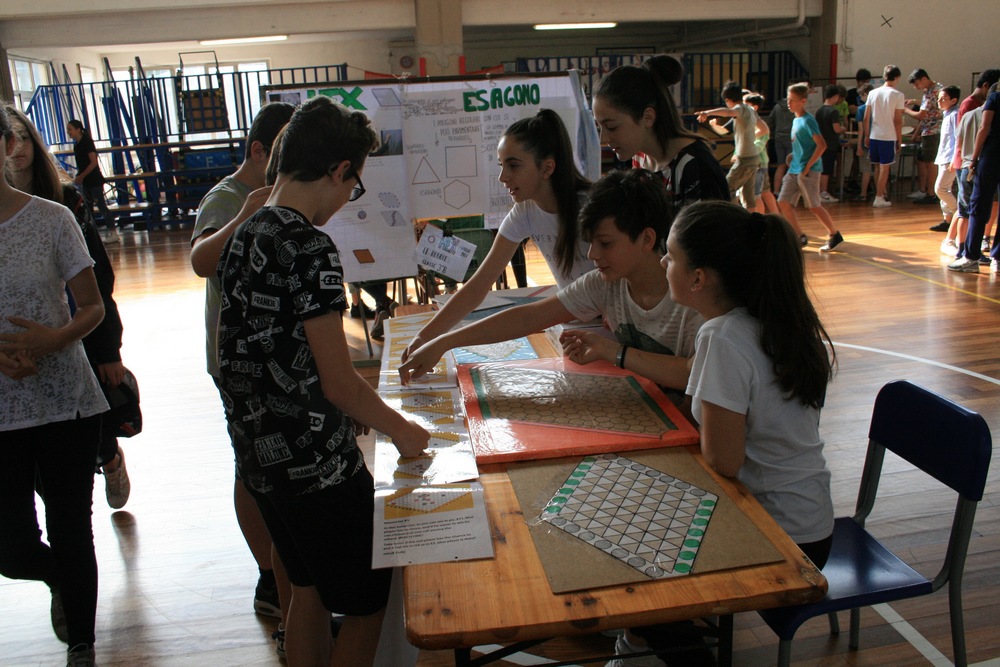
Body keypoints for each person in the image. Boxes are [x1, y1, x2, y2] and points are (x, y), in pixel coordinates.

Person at [216, 95, 430, 667]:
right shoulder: (310, 247)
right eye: (352, 184)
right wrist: (405, 431)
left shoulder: (245, 232)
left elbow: (252, 353)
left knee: (304, 593)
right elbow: (340, 383)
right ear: (339, 170)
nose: (346, 198)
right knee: (365, 601)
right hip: (315, 464)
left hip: (259, 458)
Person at [400, 168, 702, 399]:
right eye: (591, 243)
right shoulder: (605, 283)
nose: (593, 254)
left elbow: (694, 374)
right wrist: (443, 341)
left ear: (647, 239)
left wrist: (612, 351)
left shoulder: (692, 296)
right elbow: (530, 317)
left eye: (605, 243)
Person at [664, 199, 834, 572]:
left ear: (698, 278)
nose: (664, 264)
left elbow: (724, 460)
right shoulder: (774, 323)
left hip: (779, 535)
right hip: (812, 521)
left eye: (671, 257)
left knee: (651, 533)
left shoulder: (723, 337)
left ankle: (660, 632)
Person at [0, 104, 109, 667]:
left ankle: (83, 645)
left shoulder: (51, 218)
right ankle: (58, 580)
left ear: (8, 148)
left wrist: (52, 339)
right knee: (11, 545)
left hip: (66, 400)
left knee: (72, 527)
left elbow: (92, 306)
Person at [189, 101, 295, 627]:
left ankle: (284, 570)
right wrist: (245, 214)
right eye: (279, 159)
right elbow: (202, 260)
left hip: (277, 358)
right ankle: (268, 573)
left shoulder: (284, 197)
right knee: (251, 469)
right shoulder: (227, 197)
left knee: (274, 466)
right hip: (236, 361)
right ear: (258, 152)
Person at [4, 104, 131, 509]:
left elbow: (99, 286)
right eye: (15, 138)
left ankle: (109, 460)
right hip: (13, 363)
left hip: (75, 332)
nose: (19, 148)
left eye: (25, 138)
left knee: (91, 427)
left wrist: (109, 348)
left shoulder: (62, 203)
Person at [402, 109, 592, 361]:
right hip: (579, 324)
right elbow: (478, 285)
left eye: (513, 165)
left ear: (547, 168)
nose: (503, 177)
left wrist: (441, 341)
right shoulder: (524, 211)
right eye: (501, 165)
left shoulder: (592, 208)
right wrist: (424, 337)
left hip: (613, 324)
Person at [592, 56, 729, 210]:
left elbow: (704, 232)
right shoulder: (641, 157)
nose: (603, 138)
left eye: (612, 127)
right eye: (599, 127)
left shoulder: (694, 166)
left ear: (648, 117)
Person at [777, 83, 844, 251]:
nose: (789, 103)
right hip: (795, 169)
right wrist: (793, 155)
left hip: (808, 170)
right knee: (783, 202)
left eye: (792, 100)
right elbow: (802, 144)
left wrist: (808, 166)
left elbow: (821, 145)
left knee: (814, 205)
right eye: (788, 99)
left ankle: (834, 234)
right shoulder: (796, 120)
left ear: (803, 101)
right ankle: (799, 236)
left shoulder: (808, 120)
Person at [948, 84, 1000, 274]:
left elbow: (984, 127)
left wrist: (975, 157)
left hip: (992, 156)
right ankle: (998, 258)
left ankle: (971, 257)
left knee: (979, 204)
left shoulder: (995, 97)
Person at [696, 80, 761, 209]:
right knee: (749, 198)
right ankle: (752, 224)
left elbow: (728, 112)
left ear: (727, 99)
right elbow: (763, 128)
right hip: (754, 157)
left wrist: (707, 113)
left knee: (725, 189)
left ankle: (735, 217)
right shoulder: (749, 109)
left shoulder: (740, 109)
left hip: (745, 160)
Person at [65, 119, 117, 243]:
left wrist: (81, 175)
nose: (68, 132)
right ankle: (92, 234)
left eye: (70, 129)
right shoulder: (77, 144)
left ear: (78, 129)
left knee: (101, 206)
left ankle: (113, 232)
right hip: (85, 181)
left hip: (94, 180)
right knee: (88, 208)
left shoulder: (87, 142)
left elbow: (93, 163)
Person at [863, 65, 906, 208]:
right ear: (897, 77)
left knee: (877, 167)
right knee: (884, 168)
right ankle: (879, 196)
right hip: (888, 136)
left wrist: (867, 134)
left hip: (874, 134)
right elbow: (898, 120)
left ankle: (880, 194)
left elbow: (866, 117)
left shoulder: (873, 93)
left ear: (884, 77)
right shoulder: (898, 95)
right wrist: (899, 138)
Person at [904, 69, 944, 204]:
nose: (916, 87)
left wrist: (904, 110)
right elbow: (927, 110)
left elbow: (922, 115)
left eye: (916, 84)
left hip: (933, 131)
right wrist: (914, 102)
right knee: (922, 160)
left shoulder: (932, 91)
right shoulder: (936, 88)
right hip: (928, 130)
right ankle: (923, 190)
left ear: (924, 79)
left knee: (930, 162)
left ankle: (931, 193)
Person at [930, 87, 961, 234]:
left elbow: (958, 138)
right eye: (939, 98)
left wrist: (955, 158)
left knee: (940, 188)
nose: (939, 101)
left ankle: (959, 213)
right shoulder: (947, 114)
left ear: (953, 100)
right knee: (945, 189)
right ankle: (947, 220)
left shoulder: (955, 114)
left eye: (943, 99)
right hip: (943, 156)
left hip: (950, 158)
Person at [815, 84, 846, 203]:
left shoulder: (819, 110)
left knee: (820, 169)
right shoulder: (834, 111)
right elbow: (837, 129)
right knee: (827, 170)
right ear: (836, 96)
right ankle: (823, 192)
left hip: (820, 144)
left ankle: (819, 192)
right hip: (830, 144)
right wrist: (843, 128)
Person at [766, 94, 796, 195]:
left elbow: (770, 121)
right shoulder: (795, 107)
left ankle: (776, 190)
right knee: (792, 165)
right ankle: (789, 191)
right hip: (791, 138)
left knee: (781, 165)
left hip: (778, 137)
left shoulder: (777, 106)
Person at [852, 84, 875, 202]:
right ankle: (882, 193)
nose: (860, 98)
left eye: (861, 95)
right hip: (878, 140)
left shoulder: (861, 109)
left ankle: (863, 193)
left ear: (866, 95)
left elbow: (861, 130)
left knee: (865, 169)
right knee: (879, 168)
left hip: (866, 142)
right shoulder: (879, 108)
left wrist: (859, 146)